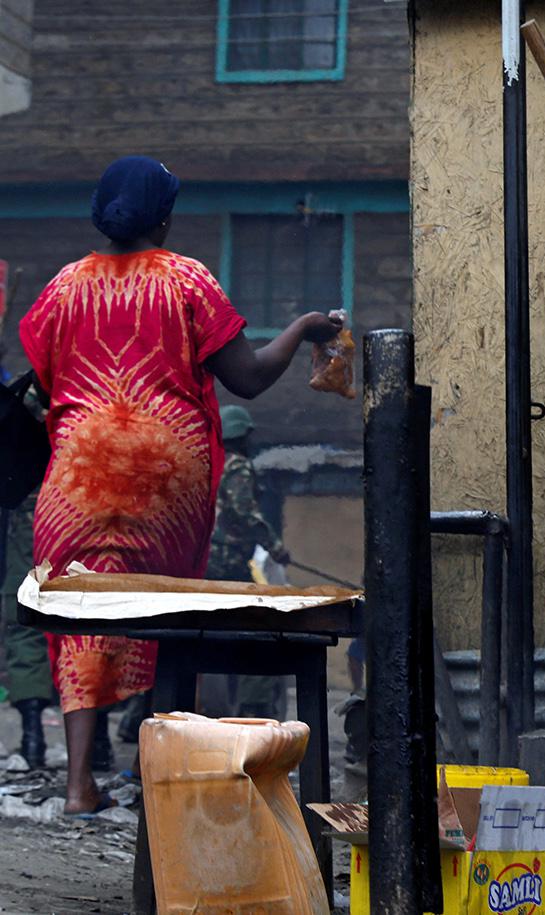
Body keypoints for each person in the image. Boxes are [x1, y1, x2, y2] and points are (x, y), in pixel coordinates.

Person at [18, 156, 341, 814]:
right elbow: (247, 377)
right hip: (167, 480)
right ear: (163, 217)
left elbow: (46, 383)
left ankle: (79, 782)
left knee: (81, 613)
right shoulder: (189, 279)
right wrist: (305, 327)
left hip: (76, 478)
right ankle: (161, 779)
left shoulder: (61, 288)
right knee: (168, 613)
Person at [206, 405, 290, 719]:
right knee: (259, 632)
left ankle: (139, 715)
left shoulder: (209, 463)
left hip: (204, 565)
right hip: (229, 565)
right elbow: (244, 513)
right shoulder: (237, 466)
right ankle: (254, 709)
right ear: (241, 435)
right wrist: (276, 546)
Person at [2, 496, 57, 769]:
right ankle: (97, 741)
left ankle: (32, 738)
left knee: (25, 621)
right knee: (90, 618)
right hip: (90, 507)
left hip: (33, 509)